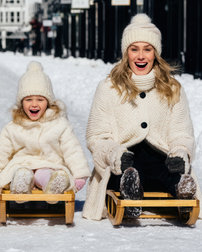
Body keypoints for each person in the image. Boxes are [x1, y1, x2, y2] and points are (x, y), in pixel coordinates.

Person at [82, 14, 201, 220]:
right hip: (123, 161)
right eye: (134, 49)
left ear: (156, 53)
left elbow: (182, 133)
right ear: (125, 53)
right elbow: (97, 136)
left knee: (167, 170)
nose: (140, 56)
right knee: (129, 169)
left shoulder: (172, 88)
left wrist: (181, 153)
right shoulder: (109, 88)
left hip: (160, 162)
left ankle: (181, 187)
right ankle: (130, 192)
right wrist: (114, 154)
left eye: (147, 49)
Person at [0, 61, 90, 200]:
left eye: (40, 99)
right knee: (20, 172)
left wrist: (80, 175)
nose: (34, 104)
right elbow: (1, 152)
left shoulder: (59, 124)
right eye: (28, 99)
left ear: (48, 102)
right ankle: (21, 185)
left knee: (44, 174)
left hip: (50, 165)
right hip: (21, 165)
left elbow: (72, 150)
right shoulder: (14, 127)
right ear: (21, 103)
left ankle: (53, 186)